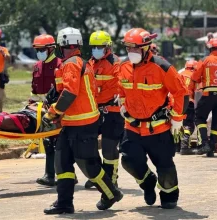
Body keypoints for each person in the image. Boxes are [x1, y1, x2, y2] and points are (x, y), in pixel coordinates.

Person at [43, 27, 123, 214]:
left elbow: (70, 93)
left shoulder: (72, 63)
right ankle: (64, 203)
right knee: (62, 163)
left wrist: (52, 113)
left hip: (83, 124)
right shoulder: (82, 63)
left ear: (61, 45)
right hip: (71, 123)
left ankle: (111, 192)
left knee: (89, 165)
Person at [118, 28, 189, 209]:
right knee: (128, 160)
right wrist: (123, 104)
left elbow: (181, 92)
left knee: (165, 167)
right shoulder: (124, 67)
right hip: (132, 128)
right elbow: (122, 89)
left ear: (146, 47)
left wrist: (177, 119)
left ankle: (169, 195)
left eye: (135, 48)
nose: (131, 52)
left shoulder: (162, 66)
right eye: (128, 48)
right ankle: (148, 183)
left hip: (159, 129)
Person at [84, 30, 123, 189]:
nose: (96, 49)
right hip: (94, 111)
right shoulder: (91, 63)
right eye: (94, 46)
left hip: (112, 112)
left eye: (100, 46)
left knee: (108, 148)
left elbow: (120, 86)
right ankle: (98, 176)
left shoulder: (116, 64)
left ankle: (111, 178)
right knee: (89, 145)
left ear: (108, 47)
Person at [30, 34, 62, 187]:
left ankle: (54, 175)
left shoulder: (60, 65)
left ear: (50, 49)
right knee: (48, 142)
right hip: (41, 110)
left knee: (57, 143)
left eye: (41, 49)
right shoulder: (37, 66)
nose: (39, 52)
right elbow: (35, 91)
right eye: (37, 49)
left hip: (57, 110)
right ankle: (51, 175)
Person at [178, 60, 198, 155]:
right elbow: (197, 93)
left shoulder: (180, 74)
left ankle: (177, 145)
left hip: (176, 102)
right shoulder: (195, 76)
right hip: (189, 102)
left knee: (177, 124)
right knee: (189, 124)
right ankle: (184, 146)